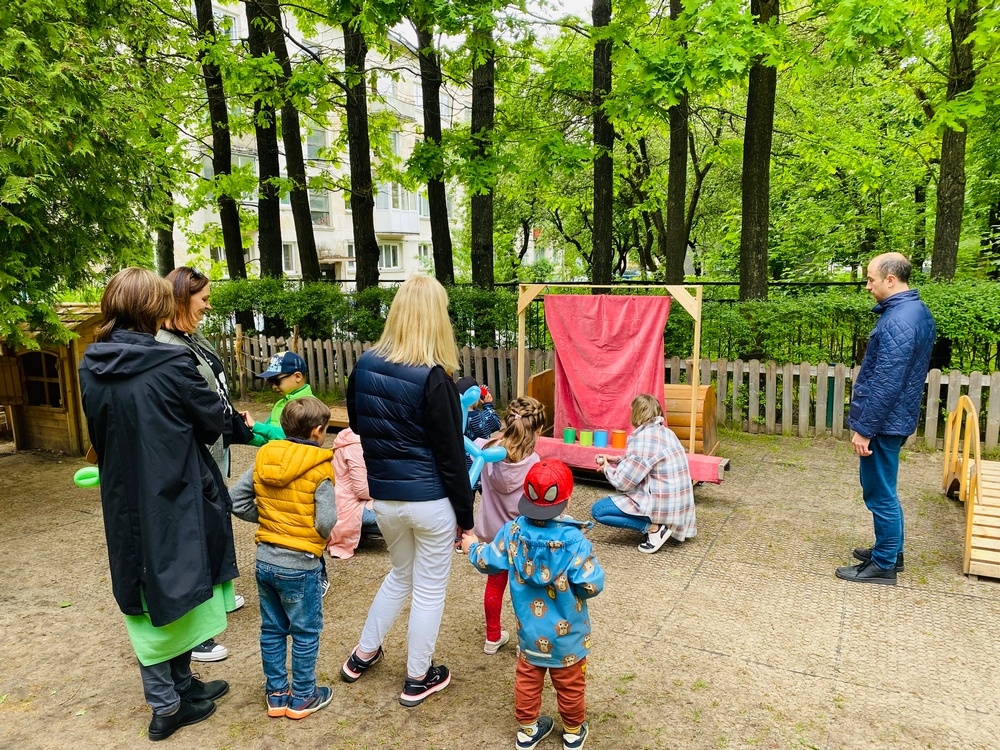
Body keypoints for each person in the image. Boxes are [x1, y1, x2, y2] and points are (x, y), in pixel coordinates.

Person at [79, 267, 237, 742]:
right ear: (156, 308)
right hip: (175, 491)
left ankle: (183, 686)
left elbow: (100, 432)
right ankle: (166, 708)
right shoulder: (171, 362)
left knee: (162, 587)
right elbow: (210, 422)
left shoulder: (90, 364)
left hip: (125, 498)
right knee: (165, 590)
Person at [340, 275, 474, 708]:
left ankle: (362, 654)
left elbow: (358, 423)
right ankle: (418, 676)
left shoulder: (365, 365)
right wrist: (467, 519)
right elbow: (452, 456)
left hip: (385, 499)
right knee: (429, 590)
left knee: (400, 574)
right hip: (430, 500)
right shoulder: (435, 378)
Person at [461, 459, 605, 750]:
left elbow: (488, 560)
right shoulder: (574, 540)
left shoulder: (513, 531)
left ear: (526, 496)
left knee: (528, 680)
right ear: (567, 499)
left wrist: (472, 547)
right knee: (570, 684)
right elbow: (592, 585)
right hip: (569, 637)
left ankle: (528, 730)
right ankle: (573, 732)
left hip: (529, 631)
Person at [156, 266, 252, 663]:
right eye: (204, 299)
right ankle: (195, 635)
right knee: (195, 537)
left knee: (214, 525)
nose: (208, 307)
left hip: (211, 448)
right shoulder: (165, 346)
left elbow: (213, 392)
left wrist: (233, 422)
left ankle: (219, 599)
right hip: (190, 458)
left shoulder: (190, 336)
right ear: (182, 298)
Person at [229, 397, 337, 719]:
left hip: (265, 560)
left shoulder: (265, 456)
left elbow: (236, 500)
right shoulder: (320, 466)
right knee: (305, 631)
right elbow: (326, 520)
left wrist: (270, 521)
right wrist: (310, 534)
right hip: (301, 563)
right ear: (317, 431)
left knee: (272, 629)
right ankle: (303, 695)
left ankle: (276, 694)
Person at [836, 253, 935, 586]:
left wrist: (865, 429)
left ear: (890, 280)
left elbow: (887, 381)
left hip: (884, 421)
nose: (868, 286)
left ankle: (883, 564)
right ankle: (892, 551)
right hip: (895, 417)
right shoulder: (915, 311)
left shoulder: (899, 320)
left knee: (879, 493)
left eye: (871, 279)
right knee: (885, 489)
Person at [473, 397, 546, 654]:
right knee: (524, 591)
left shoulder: (486, 450)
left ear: (507, 422)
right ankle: (525, 643)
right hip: (523, 538)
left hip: (494, 535)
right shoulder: (535, 463)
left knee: (494, 584)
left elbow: (472, 441)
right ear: (538, 429)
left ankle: (492, 637)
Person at [591, 394, 697, 553]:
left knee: (599, 510)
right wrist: (616, 460)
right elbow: (643, 462)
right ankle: (658, 526)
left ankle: (655, 529)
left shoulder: (643, 439)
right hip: (679, 506)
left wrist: (607, 468)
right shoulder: (667, 433)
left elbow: (623, 482)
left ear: (637, 413)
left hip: (663, 505)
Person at [326, 426, 381, 560]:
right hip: (347, 505)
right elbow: (362, 490)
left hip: (339, 499)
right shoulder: (356, 445)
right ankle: (361, 530)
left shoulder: (347, 435)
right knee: (399, 513)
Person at [245, 351, 314, 447]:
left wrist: (256, 426)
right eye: (270, 381)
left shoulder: (310, 405)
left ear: (298, 377)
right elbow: (266, 439)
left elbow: (293, 437)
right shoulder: (279, 404)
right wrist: (245, 435)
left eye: (276, 381)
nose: (273, 386)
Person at [458, 376, 502, 491]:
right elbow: (497, 423)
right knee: (487, 495)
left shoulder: (455, 418)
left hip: (464, 469)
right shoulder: (482, 417)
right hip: (483, 466)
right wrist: (488, 406)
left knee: (467, 495)